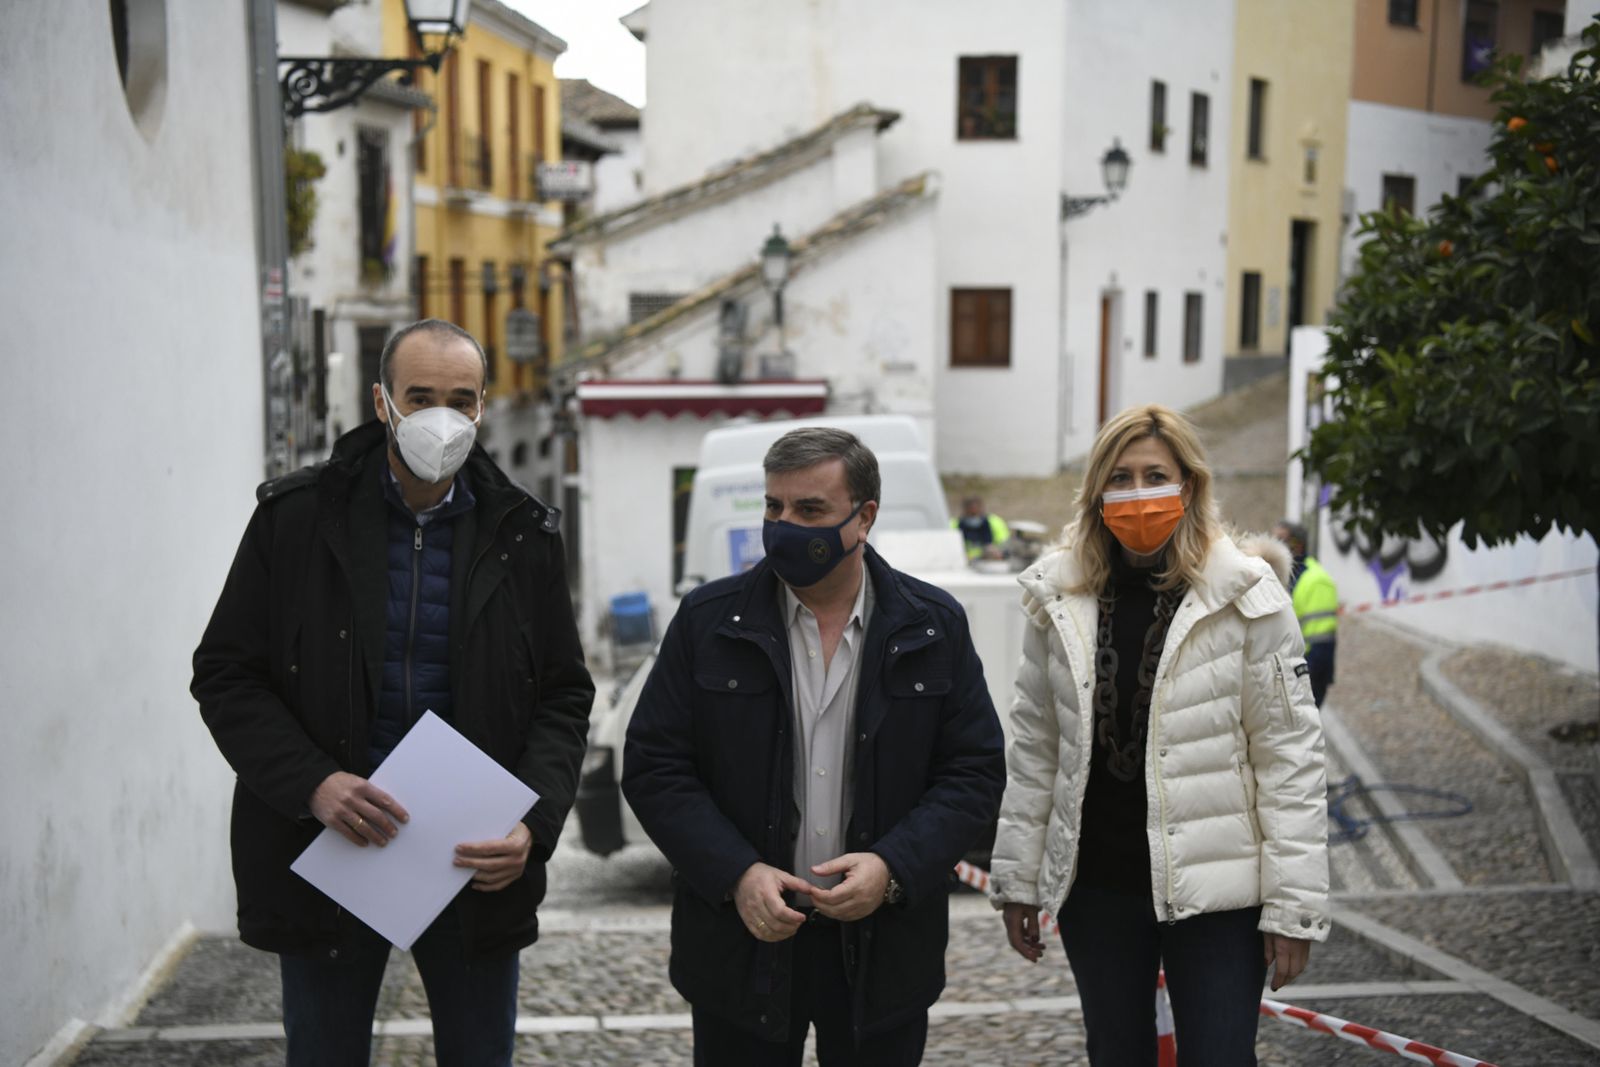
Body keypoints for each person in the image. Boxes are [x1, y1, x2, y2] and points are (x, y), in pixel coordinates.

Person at [192, 319, 594, 1066]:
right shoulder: (296, 520)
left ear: (482, 407)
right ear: (382, 402)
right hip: (332, 846)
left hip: (473, 858)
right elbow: (226, 673)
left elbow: (564, 694)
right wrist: (313, 783)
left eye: (461, 399)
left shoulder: (524, 534)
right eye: (421, 396)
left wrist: (532, 822)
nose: (442, 417)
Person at [623, 427, 1007, 1066]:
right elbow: (654, 767)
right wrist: (736, 873)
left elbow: (973, 773)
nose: (784, 527)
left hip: (883, 954)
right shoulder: (707, 621)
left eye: (810, 510)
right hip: (740, 947)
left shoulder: (933, 625)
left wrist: (892, 868)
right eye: (774, 507)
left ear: (865, 518)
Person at [990, 404, 1329, 1067]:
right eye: (1120, 477)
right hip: (1099, 887)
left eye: (1155, 475)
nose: (1138, 492)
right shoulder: (1060, 596)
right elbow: (1036, 747)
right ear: (1097, 490)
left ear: (1189, 484)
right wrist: (1019, 879)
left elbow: (1290, 757)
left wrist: (1294, 907)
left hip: (1219, 890)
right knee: (1116, 1053)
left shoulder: (1245, 594)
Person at [1273, 519, 1338, 708]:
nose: (1274, 545)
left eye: (1280, 540)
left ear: (1298, 545)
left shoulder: (1316, 581)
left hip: (1305, 676)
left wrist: (1299, 679)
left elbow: (1321, 644)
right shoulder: (1282, 575)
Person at [953, 495, 1011, 560]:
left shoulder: (994, 522)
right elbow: (951, 548)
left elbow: (1004, 544)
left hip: (990, 560)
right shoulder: (955, 525)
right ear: (965, 509)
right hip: (963, 561)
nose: (974, 515)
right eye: (971, 513)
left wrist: (997, 552)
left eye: (976, 512)